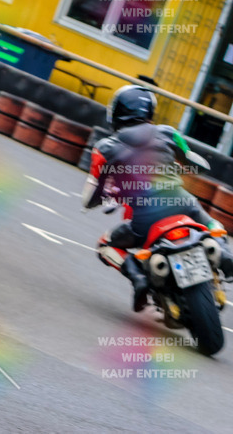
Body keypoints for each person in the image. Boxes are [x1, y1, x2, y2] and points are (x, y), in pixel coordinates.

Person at [83, 84, 233, 311]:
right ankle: (223, 252)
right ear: (148, 111)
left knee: (105, 245)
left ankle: (139, 278)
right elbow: (195, 162)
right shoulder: (168, 132)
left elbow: (93, 195)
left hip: (144, 219)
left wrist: (105, 196)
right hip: (183, 203)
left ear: (116, 113)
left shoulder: (104, 148)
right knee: (212, 225)